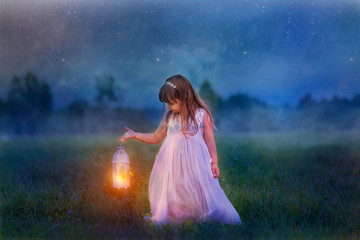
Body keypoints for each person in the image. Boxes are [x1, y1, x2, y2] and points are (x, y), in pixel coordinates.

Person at [118, 74, 241, 227]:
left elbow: (209, 140)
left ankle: (200, 213)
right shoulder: (170, 118)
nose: (169, 107)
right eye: (167, 104)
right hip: (173, 164)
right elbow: (156, 137)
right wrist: (135, 134)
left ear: (184, 96)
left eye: (171, 103)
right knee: (176, 188)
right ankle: (177, 215)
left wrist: (214, 162)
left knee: (198, 187)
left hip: (196, 162)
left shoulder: (201, 115)